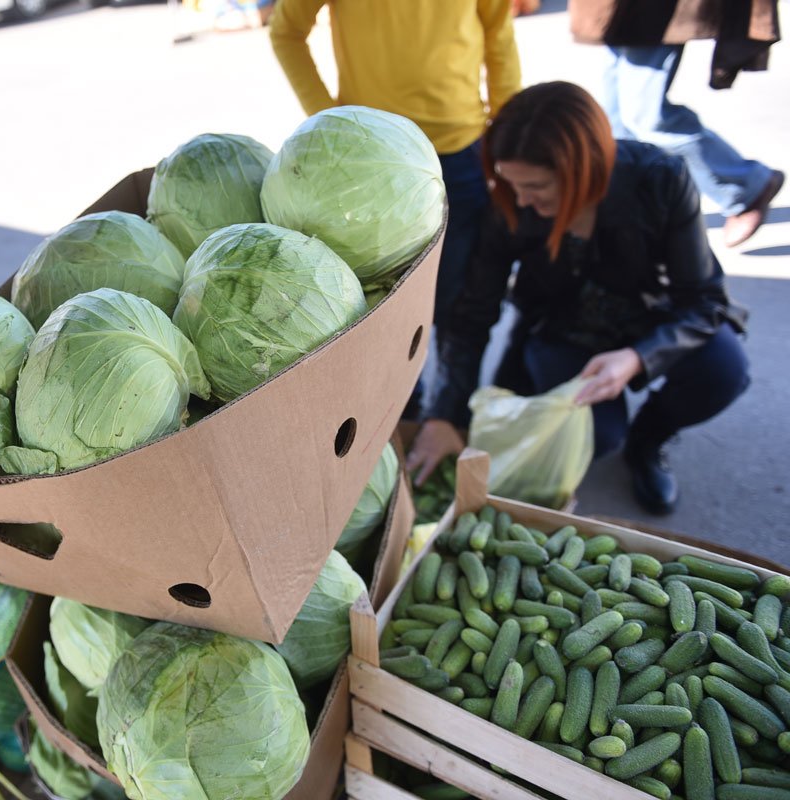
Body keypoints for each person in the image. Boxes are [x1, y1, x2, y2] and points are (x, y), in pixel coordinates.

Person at [406, 82, 750, 515]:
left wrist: (638, 357)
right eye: (511, 185)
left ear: (583, 169)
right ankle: (616, 435)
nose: (521, 200)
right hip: (563, 329)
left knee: (725, 370)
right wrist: (445, 414)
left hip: (650, 319)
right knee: (599, 435)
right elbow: (472, 314)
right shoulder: (511, 204)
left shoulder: (659, 180)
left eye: (537, 186)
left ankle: (648, 443)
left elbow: (705, 299)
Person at [268, 0, 522, 414]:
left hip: (461, 151)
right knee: (384, 307)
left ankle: (448, 417)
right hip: (366, 169)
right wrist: (329, 118)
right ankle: (401, 414)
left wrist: (507, 132)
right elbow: (286, 32)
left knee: (459, 299)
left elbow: (498, 32)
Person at [570, 0, 783, 248]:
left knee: (647, 118)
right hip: (620, 12)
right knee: (615, 123)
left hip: (652, 12)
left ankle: (744, 185)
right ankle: (633, 215)